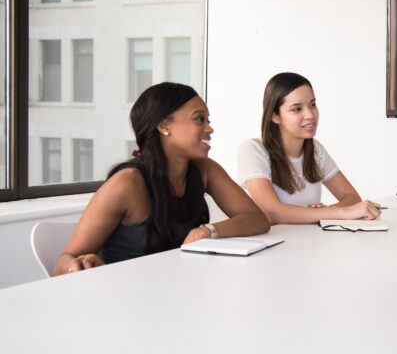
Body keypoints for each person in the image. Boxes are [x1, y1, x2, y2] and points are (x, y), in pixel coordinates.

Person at [54, 83, 270, 275]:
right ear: (164, 125)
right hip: (126, 296)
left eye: (208, 120)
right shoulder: (127, 184)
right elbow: (62, 264)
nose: (209, 128)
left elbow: (257, 219)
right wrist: (77, 266)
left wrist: (207, 231)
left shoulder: (205, 169)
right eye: (199, 119)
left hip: (177, 289)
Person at [237, 72, 381, 224]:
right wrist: (336, 213)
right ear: (275, 116)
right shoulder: (253, 150)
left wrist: (323, 212)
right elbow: (273, 213)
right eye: (296, 109)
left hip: (310, 238)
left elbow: (351, 197)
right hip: (275, 239)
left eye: (313, 105)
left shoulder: (315, 150)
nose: (310, 115)